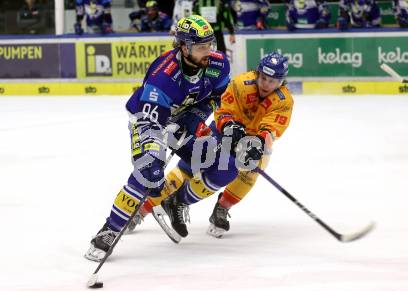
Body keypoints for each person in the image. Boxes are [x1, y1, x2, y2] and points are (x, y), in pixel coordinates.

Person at [85, 15, 233, 262]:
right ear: (184, 47)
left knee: (224, 167)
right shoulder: (162, 76)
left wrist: (195, 117)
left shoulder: (218, 64)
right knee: (148, 170)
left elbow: (216, 97)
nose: (209, 51)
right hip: (149, 120)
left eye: (210, 44)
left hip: (183, 122)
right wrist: (153, 155)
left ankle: (175, 201)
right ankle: (109, 230)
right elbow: (150, 122)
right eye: (201, 47)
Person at [129, 52, 294, 239]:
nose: (266, 84)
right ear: (257, 73)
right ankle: (142, 210)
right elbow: (223, 110)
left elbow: (271, 129)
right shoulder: (241, 84)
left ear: (281, 81)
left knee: (250, 171)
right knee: (190, 168)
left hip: (253, 141)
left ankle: (222, 209)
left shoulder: (284, 101)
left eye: (272, 81)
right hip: (224, 130)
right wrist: (229, 126)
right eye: (263, 78)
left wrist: (259, 145)